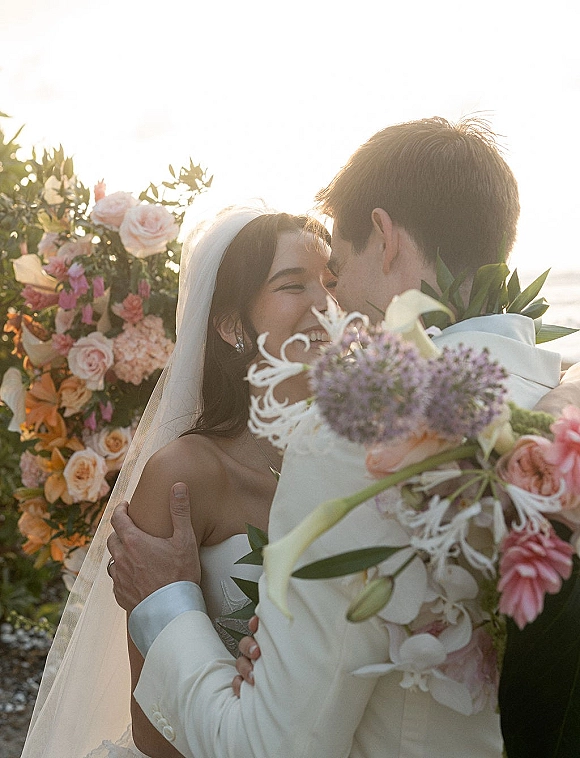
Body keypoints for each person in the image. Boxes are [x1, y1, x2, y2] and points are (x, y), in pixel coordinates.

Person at [108, 117, 570, 757]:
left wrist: (163, 601)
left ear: (383, 238)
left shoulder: (363, 435)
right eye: (297, 284)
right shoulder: (556, 400)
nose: (336, 302)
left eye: (337, 271)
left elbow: (270, 749)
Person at [20, 204, 337, 758]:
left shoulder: (367, 463)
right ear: (232, 324)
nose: (325, 305)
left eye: (331, 283)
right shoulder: (185, 476)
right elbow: (150, 728)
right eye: (293, 285)